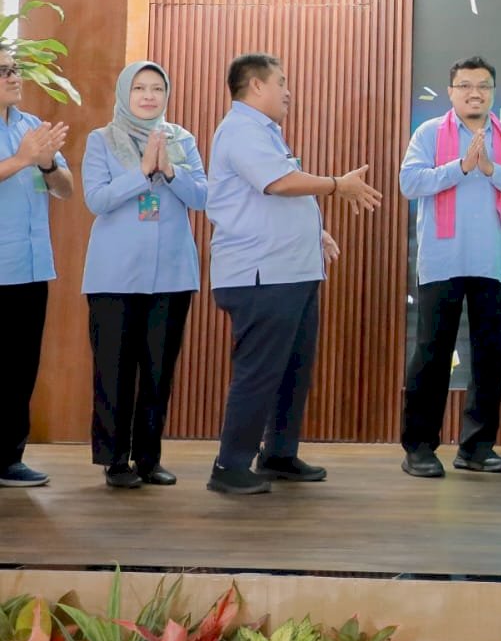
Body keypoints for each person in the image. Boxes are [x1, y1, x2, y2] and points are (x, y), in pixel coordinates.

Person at [205, 53, 382, 495]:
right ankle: (229, 466)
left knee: (292, 370)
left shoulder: (265, 132)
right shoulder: (242, 129)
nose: (288, 92)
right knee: (259, 372)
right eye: (281, 82)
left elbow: (269, 197)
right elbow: (279, 183)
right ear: (256, 85)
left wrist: (314, 231)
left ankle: (278, 454)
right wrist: (338, 184)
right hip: (260, 275)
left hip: (290, 271)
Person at [399, 56, 501, 477]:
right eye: (465, 85)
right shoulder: (428, 133)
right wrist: (460, 167)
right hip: (442, 260)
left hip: (493, 261)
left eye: (483, 86)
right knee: (432, 355)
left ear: (493, 92)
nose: (474, 93)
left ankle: (477, 448)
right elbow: (409, 182)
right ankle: (419, 448)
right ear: (451, 92)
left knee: (489, 357)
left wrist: (492, 170)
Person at [81, 61, 207, 488]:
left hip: (171, 274)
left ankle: (149, 459)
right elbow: (97, 199)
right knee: (114, 370)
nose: (149, 96)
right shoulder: (101, 139)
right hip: (113, 275)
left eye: (157, 88)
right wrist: (141, 173)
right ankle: (115, 460)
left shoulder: (182, 140)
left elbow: (203, 196)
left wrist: (169, 169)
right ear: (125, 93)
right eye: (139, 88)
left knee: (158, 372)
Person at [0, 43, 74, 488]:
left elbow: (65, 189)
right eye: (3, 71)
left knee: (20, 368)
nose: (14, 77)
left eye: (15, 69)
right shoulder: (25, 143)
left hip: (30, 268)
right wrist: (22, 159)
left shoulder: (32, 127)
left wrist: (46, 165)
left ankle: (9, 458)